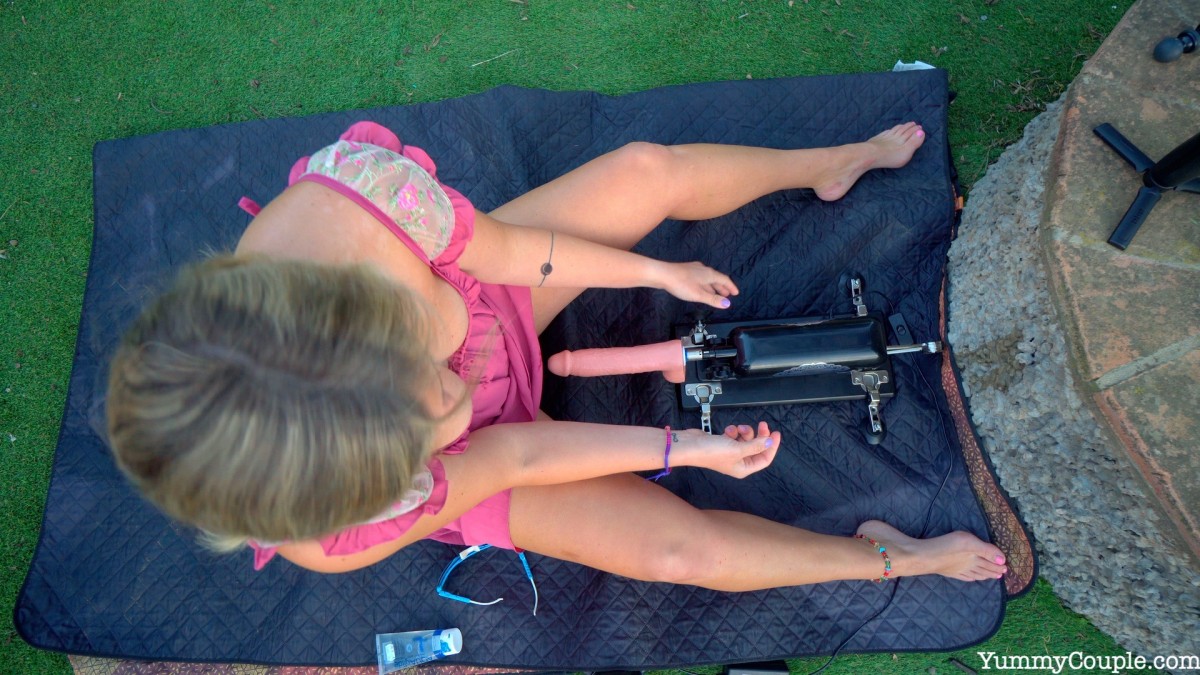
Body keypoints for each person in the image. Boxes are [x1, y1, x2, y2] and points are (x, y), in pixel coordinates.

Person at [106, 120, 1007, 589]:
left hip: (489, 295)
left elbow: (513, 252)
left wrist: (653, 267)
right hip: (497, 467)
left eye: (425, 381)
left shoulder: (357, 206)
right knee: (679, 555)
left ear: (357, 313)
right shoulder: (334, 527)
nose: (451, 405)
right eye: (417, 441)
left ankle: (828, 160)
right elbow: (514, 454)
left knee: (647, 172)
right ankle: (890, 555)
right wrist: (682, 448)